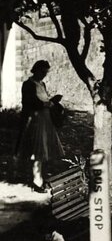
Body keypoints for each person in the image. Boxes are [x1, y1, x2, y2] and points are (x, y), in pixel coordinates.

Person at [16, 60, 64, 191]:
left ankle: (41, 178)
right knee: (38, 150)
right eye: (42, 72)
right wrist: (45, 104)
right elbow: (28, 103)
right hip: (35, 120)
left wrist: (52, 102)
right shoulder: (28, 84)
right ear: (36, 70)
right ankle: (37, 181)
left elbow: (44, 100)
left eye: (46, 72)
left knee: (45, 151)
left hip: (46, 119)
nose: (44, 75)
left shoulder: (42, 84)